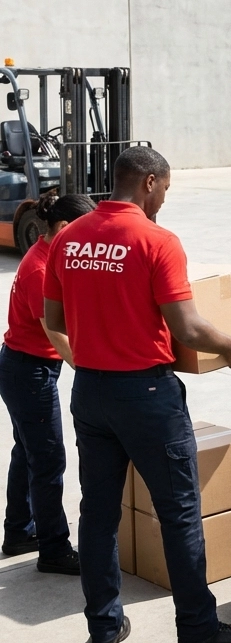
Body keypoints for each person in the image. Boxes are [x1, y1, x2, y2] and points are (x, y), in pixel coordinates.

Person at [43, 147, 231, 643]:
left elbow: (57, 319)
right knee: (179, 512)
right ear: (149, 184)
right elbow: (186, 326)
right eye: (165, 189)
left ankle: (104, 627)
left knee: (97, 513)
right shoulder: (156, 240)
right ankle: (198, 629)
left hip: (90, 390)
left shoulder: (68, 238)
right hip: (147, 394)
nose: (164, 198)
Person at [1, 191, 95, 572]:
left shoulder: (52, 255)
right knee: (48, 459)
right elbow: (56, 332)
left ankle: (19, 531)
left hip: (24, 366)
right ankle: (54, 549)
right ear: (62, 228)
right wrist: (88, 370)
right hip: (29, 371)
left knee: (27, 451)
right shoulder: (40, 267)